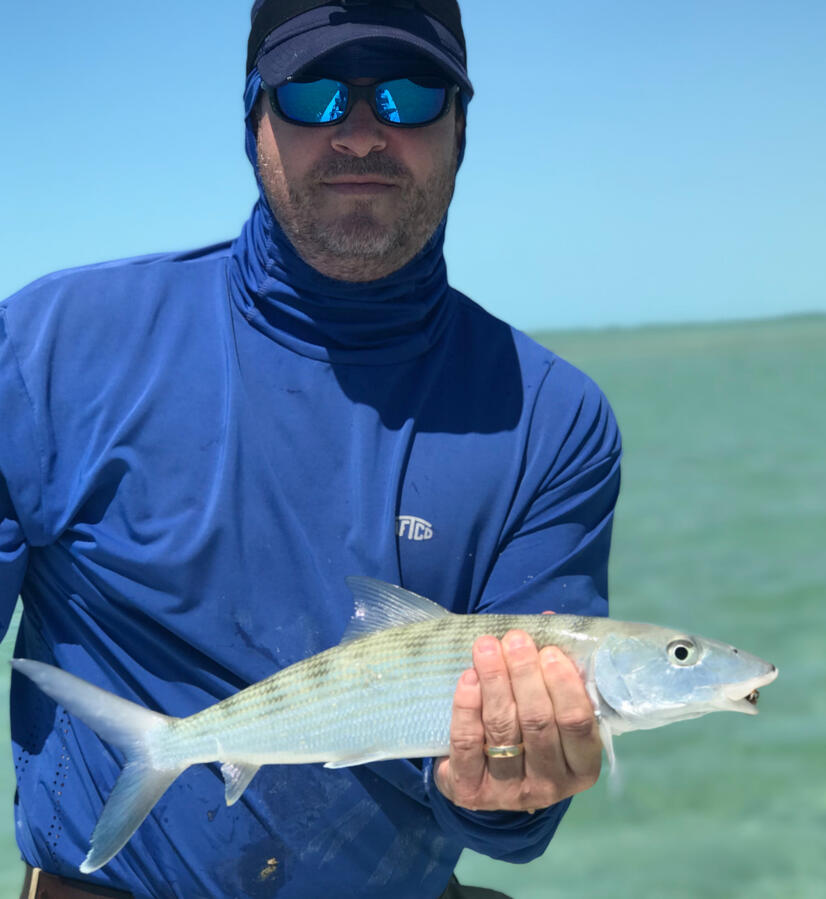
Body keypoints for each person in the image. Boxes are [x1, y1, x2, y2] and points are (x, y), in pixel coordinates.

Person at [0, 1, 622, 897]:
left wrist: (504, 789)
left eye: (409, 95)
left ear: (461, 128)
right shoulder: (48, 350)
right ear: (253, 118)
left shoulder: (552, 419)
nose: (361, 133)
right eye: (314, 93)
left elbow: (512, 818)